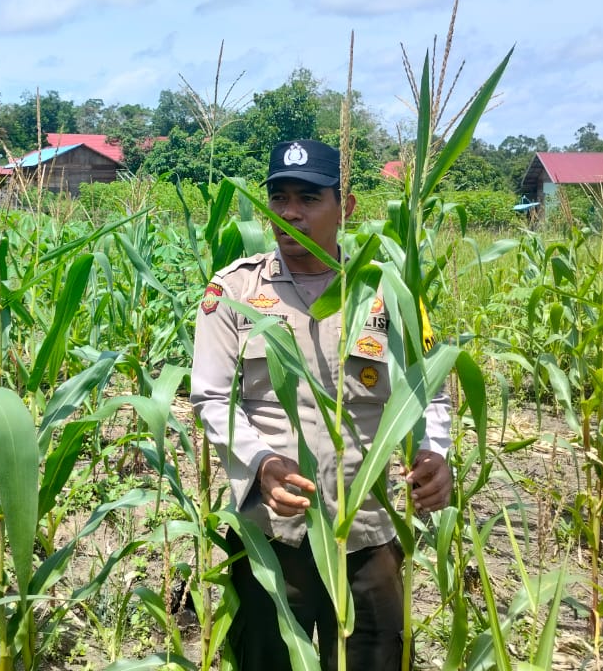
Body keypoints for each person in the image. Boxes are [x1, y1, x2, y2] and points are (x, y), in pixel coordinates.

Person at [190, 138, 452, 671]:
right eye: (279, 197)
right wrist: (260, 464)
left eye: (309, 198)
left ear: (345, 206)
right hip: (272, 537)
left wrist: (435, 453)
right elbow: (212, 397)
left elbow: (432, 391)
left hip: (369, 528)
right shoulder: (234, 290)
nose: (290, 212)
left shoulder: (388, 289)